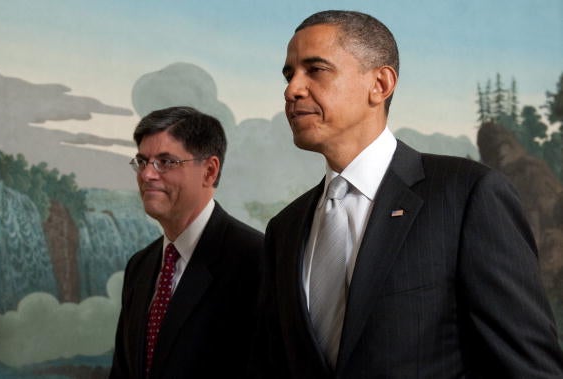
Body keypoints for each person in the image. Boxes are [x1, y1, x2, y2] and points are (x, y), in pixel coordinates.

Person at [251, 10, 563, 378]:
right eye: (289, 75)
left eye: (315, 69)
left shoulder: (467, 195)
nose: (292, 89)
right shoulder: (284, 230)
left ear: (380, 84)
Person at [110, 106, 264, 378]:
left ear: (209, 171)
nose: (146, 175)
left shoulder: (257, 260)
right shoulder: (140, 266)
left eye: (165, 162)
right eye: (142, 161)